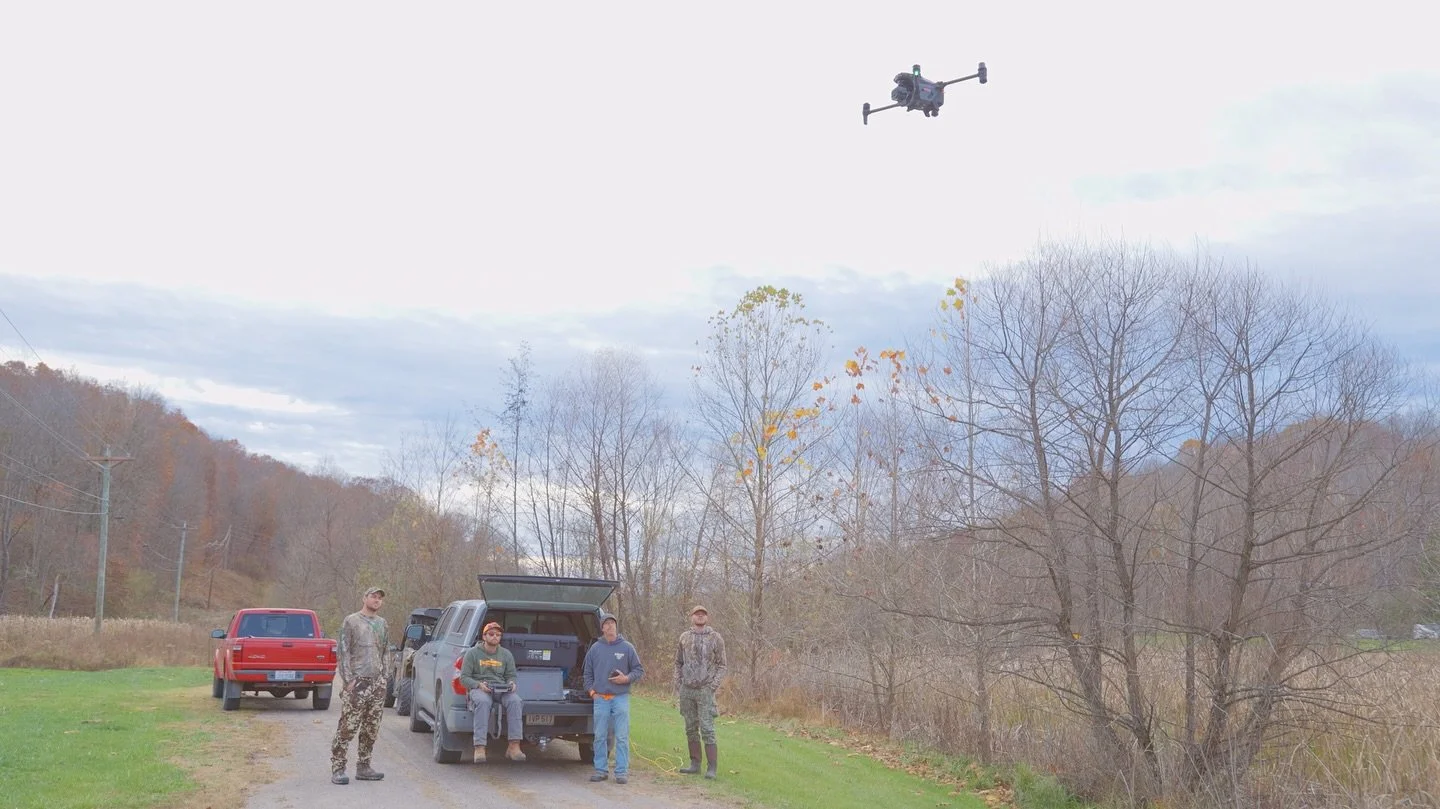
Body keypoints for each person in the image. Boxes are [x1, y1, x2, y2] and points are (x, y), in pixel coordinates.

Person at [330, 586, 389, 785]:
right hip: (357, 683)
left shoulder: (382, 624)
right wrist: (348, 681)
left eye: (380, 598)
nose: (377, 600)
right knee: (348, 726)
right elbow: (343, 651)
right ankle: (338, 767)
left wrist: (384, 678)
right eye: (373, 596)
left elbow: (385, 651)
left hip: (376, 683)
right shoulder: (351, 621)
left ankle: (364, 766)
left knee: (371, 728)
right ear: (364, 598)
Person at [582, 613, 645, 784]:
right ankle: (601, 770)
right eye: (606, 624)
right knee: (600, 736)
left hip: (620, 698)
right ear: (602, 628)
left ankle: (621, 772)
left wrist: (626, 678)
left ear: (616, 626)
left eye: (612, 623)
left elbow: (639, 670)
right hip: (600, 699)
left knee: (622, 736)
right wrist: (592, 692)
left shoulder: (627, 647)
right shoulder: (595, 648)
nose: (610, 626)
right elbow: (586, 674)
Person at [458, 621, 526, 763]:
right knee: (483, 702)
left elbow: (511, 675)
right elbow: (464, 678)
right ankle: (480, 747)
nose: (495, 637)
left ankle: (514, 746)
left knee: (516, 701)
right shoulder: (472, 654)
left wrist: (512, 683)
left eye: (498, 634)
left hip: (501, 688)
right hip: (481, 688)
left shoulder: (506, 654)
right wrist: (478, 685)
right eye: (491, 634)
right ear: (484, 636)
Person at [674, 604, 727, 779]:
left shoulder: (715, 638)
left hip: (705, 690)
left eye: (703, 614)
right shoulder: (684, 637)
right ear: (692, 617)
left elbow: (722, 665)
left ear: (707, 617)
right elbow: (678, 663)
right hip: (687, 690)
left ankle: (711, 768)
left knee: (707, 729)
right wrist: (679, 683)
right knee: (690, 727)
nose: (700, 617)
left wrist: (713, 686)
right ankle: (694, 764)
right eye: (697, 614)